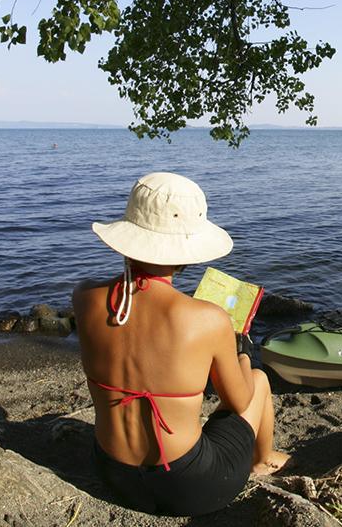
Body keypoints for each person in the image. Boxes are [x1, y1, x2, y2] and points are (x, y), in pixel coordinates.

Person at [74, 172, 290, 517]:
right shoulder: (207, 318)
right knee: (259, 382)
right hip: (191, 488)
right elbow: (239, 401)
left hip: (112, 474)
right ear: (186, 251)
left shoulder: (84, 296)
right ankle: (263, 460)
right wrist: (243, 355)